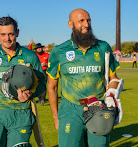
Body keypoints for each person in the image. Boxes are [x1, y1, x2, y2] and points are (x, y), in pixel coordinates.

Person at [47, 9, 121, 147]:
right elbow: (52, 86)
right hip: (70, 109)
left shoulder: (103, 47)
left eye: (88, 20)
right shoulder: (59, 51)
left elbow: (113, 78)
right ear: (71, 24)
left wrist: (111, 95)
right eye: (81, 21)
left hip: (98, 106)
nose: (86, 24)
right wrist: (55, 117)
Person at [0, 16, 46, 147]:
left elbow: (42, 83)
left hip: (21, 114)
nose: (7, 38)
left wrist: (30, 94)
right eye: (3, 34)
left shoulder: (30, 56)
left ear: (17, 32)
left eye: (11, 34)